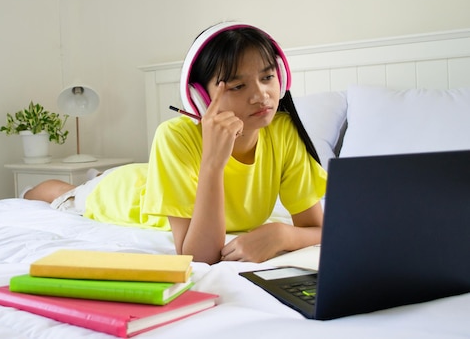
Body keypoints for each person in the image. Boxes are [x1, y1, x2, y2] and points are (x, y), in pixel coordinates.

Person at [24, 22, 326, 264]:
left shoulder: (284, 132)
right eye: (237, 85)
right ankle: (60, 187)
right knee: (65, 194)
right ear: (201, 97)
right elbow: (199, 256)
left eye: (267, 77)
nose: (261, 95)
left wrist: (283, 235)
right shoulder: (175, 136)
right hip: (126, 195)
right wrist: (213, 162)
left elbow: (320, 229)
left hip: (160, 178)